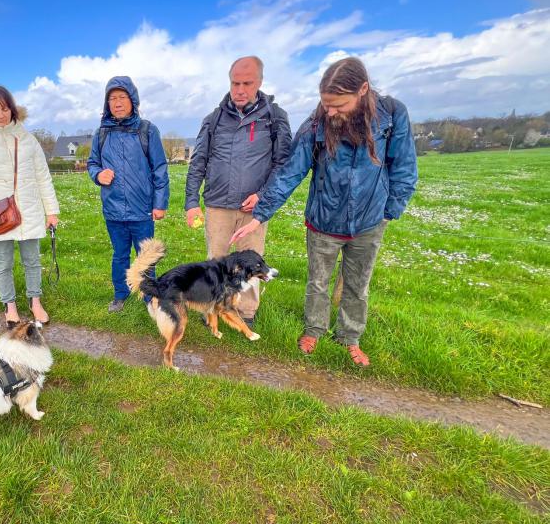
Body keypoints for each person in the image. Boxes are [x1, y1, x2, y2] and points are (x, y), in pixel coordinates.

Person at [231, 57, 418, 366]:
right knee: (317, 282)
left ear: (362, 90)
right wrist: (261, 215)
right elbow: (290, 172)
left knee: (357, 284)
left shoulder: (392, 115)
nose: (331, 112)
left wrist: (390, 211)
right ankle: (314, 330)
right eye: (326, 104)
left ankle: (350, 337)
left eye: (338, 105)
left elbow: (405, 167)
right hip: (323, 221)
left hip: (370, 221)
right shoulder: (317, 123)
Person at [184, 56, 292, 326]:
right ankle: (214, 308)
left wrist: (264, 196)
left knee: (253, 261)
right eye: (235, 83)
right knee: (216, 262)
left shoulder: (275, 117)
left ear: (260, 82)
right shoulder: (214, 119)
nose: (240, 89)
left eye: (247, 83)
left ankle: (246, 312)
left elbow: (283, 163)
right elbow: (198, 161)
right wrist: (190, 202)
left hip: (253, 209)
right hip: (218, 205)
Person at [0, 86, 60, 326]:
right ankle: (9, 305)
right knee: (3, 263)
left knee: (32, 261)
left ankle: (35, 301)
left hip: (28, 208)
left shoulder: (27, 138)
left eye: (5, 109)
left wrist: (52, 210)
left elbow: (43, 176)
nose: (1, 115)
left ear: (12, 108)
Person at [87, 76, 170, 313]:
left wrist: (160, 203)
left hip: (142, 210)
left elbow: (160, 168)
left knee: (146, 257)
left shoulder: (147, 130)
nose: (117, 102)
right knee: (119, 255)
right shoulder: (101, 133)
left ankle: (149, 297)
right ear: (107, 103)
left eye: (122, 97)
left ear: (133, 100)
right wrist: (97, 174)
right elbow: (93, 162)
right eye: (112, 98)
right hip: (113, 210)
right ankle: (120, 295)